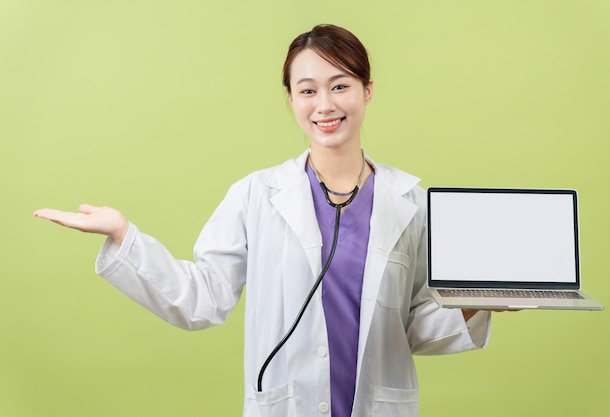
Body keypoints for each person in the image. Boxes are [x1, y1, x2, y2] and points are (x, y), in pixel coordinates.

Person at [35, 24, 491, 417]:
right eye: (308, 89)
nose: (324, 104)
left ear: (367, 90)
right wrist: (123, 236)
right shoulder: (255, 195)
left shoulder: (410, 201)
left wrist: (485, 299)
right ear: (292, 98)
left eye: (340, 85)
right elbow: (203, 298)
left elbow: (410, 330)